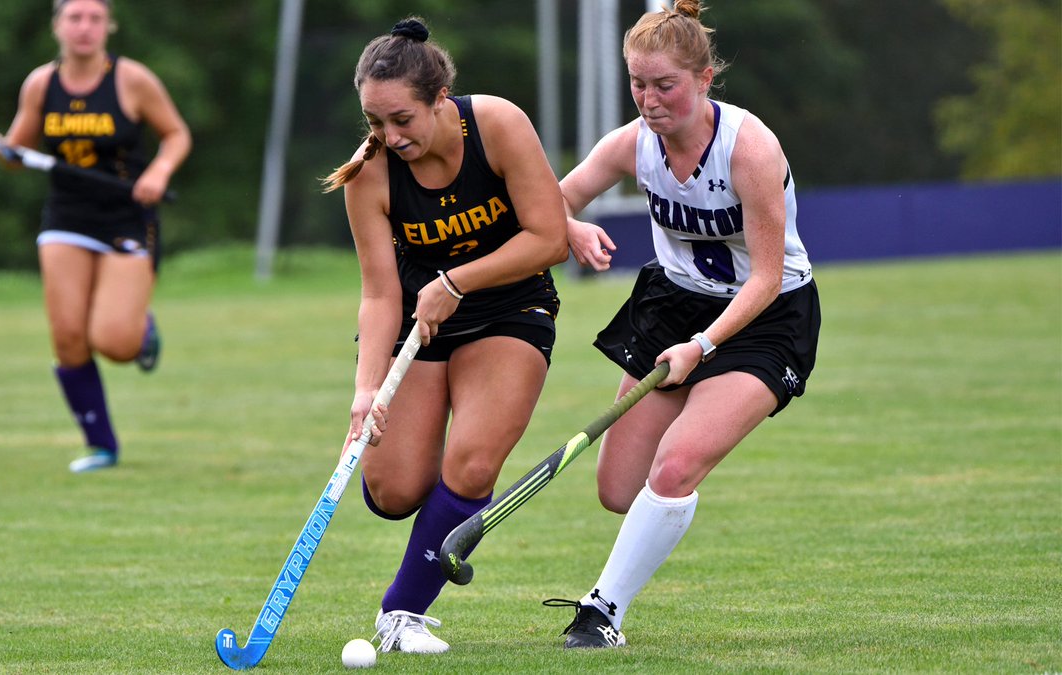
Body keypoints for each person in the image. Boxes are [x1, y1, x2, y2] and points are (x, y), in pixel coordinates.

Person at [544, 0, 821, 648]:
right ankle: (667, 506)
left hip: (765, 315)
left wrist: (702, 346)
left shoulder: (750, 149)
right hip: (673, 303)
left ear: (703, 79)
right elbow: (551, 202)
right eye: (638, 84)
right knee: (618, 490)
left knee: (674, 467)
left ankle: (601, 612)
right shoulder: (631, 144)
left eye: (664, 85)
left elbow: (766, 276)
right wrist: (569, 226)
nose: (649, 100)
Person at [322, 17, 569, 654]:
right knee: (394, 490)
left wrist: (457, 281)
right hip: (418, 323)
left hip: (510, 308)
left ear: (439, 99)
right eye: (375, 122)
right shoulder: (370, 173)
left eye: (402, 119)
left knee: (474, 461)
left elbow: (550, 239)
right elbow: (380, 294)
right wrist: (365, 391)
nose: (389, 137)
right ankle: (443, 504)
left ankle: (401, 612)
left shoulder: (498, 126)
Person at [0, 0, 191, 473]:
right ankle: (101, 446)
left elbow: (176, 134)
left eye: (94, 18)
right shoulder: (40, 84)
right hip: (67, 217)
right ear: (57, 26)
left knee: (115, 342)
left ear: (109, 26)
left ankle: (141, 331)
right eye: (74, 17)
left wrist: (160, 171)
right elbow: (16, 154)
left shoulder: (131, 79)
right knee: (67, 336)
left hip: (127, 216)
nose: (84, 27)